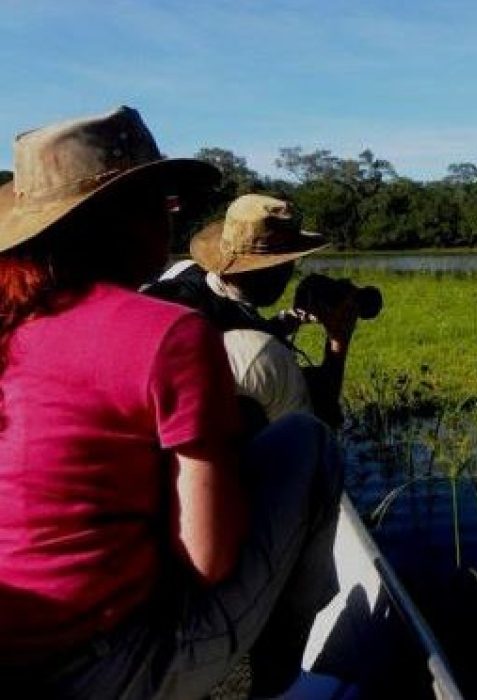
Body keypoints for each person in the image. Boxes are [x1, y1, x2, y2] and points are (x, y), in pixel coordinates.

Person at [0, 106, 343, 699]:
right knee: (307, 443)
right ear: (127, 215)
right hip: (97, 668)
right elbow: (207, 564)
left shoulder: (14, 316)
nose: (174, 211)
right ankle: (281, 685)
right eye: (163, 197)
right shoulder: (167, 332)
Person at [145, 193, 357, 428]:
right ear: (268, 270)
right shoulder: (258, 345)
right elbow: (320, 419)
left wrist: (282, 322)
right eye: (287, 264)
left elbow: (228, 311)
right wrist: (338, 340)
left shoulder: (182, 274)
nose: (290, 272)